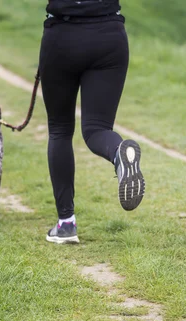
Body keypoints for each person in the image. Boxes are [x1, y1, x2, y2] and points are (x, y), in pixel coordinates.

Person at [39, 0, 145, 244]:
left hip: (62, 37)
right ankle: (119, 153)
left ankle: (66, 223)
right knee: (97, 128)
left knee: (60, 129)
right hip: (109, 36)